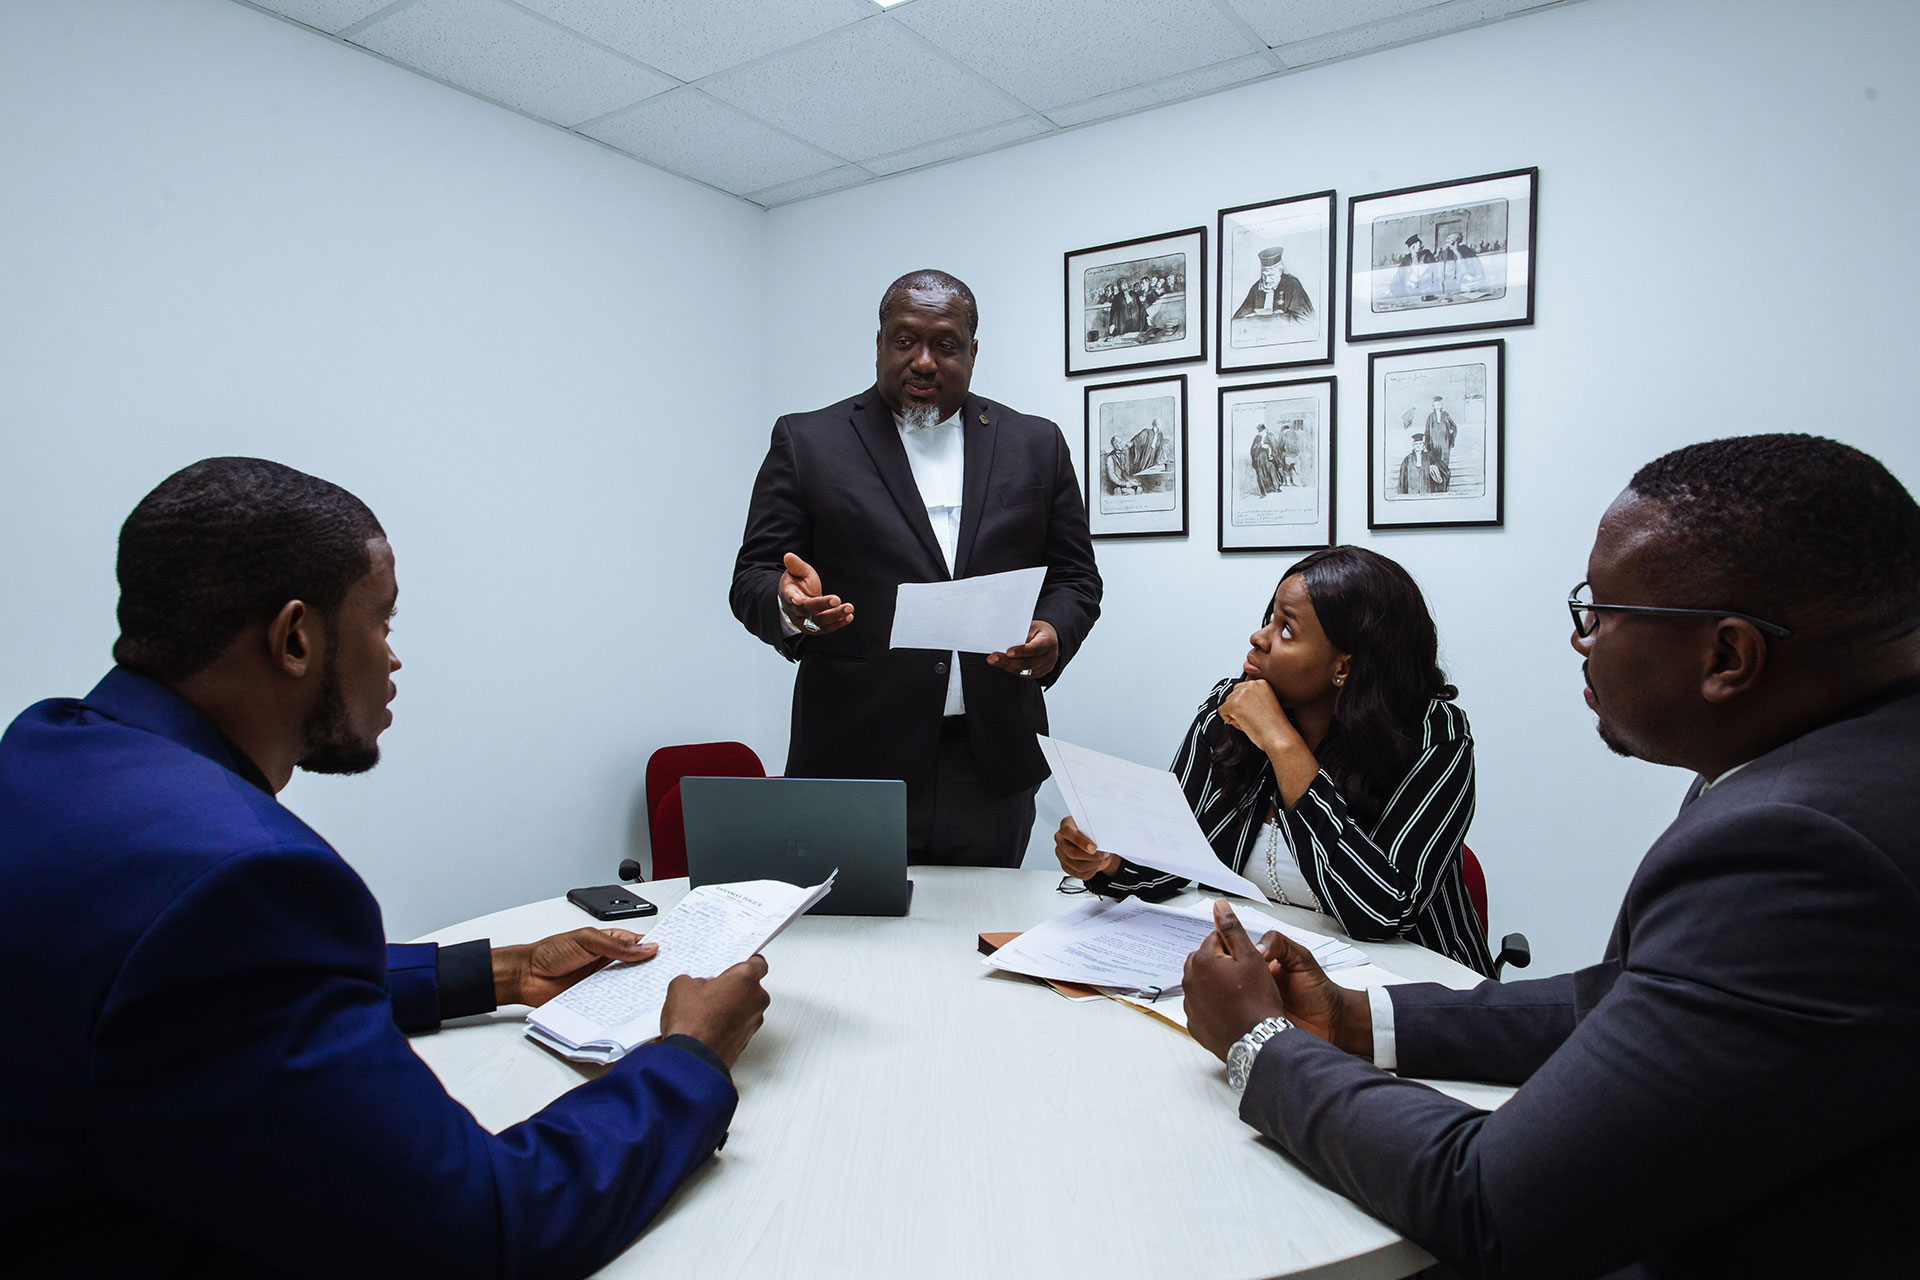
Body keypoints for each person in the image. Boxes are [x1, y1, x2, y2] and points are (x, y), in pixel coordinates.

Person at [0, 457, 774, 1275]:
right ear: (296, 638)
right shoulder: (241, 878)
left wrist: (504, 972)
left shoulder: (48, 753)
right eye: (383, 623)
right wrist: (687, 1056)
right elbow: (483, 1228)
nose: (394, 659)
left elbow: (201, 990)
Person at [1180, 434, 1920, 1278]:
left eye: (1600, 613)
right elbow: (1619, 997)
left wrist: (1261, 1043)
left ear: (1726, 657)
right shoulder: (1824, 772)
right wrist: (1352, 1019)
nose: (1582, 640)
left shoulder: (1805, 845)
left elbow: (1490, 1200)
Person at [729, 269, 1102, 867]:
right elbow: (751, 575)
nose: (923, 361)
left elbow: (1076, 578)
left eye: (945, 345)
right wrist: (789, 605)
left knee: (978, 945)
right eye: (905, 341)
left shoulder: (1036, 444)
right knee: (851, 949)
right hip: (853, 763)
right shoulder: (809, 441)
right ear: (879, 343)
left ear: (973, 352)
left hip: (989, 764)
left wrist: (1053, 631)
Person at [1056, 546, 1492, 975]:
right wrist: (1110, 862)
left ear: (1345, 666)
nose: (1258, 637)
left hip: (1414, 993)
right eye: (1270, 618)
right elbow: (1174, 854)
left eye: (1286, 629)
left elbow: (1380, 912)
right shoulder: (1231, 709)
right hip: (1262, 979)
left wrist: (1282, 744)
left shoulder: (1434, 737)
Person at [1232, 245, 1314, 322]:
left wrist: (1278, 317)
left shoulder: (1292, 284)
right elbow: (1237, 319)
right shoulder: (1256, 288)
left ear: (1280, 271)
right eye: (1263, 275)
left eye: (1271, 275)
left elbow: (1306, 318)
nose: (1266, 280)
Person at [1397, 429, 1448, 494]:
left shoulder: (1429, 457)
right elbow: (1403, 476)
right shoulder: (1408, 459)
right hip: (1412, 489)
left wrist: (1435, 469)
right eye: (1416, 444)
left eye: (1420, 444)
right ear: (1413, 446)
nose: (1418, 446)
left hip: (1426, 488)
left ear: (1423, 446)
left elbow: (1442, 468)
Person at [1437, 231, 1485, 295]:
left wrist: (1457, 252)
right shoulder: (1445, 254)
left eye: (1456, 241)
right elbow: (1443, 274)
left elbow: (1473, 268)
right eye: (1450, 241)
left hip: (1467, 287)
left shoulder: (1466, 250)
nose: (1454, 244)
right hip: (1450, 288)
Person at [1425, 395, 1459, 469]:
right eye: (1435, 404)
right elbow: (1427, 430)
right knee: (1435, 459)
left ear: (1441, 405)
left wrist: (1451, 431)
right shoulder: (1430, 416)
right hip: (1434, 442)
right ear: (1433, 406)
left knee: (1444, 459)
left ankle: (1445, 475)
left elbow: (1453, 426)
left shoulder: (1445, 414)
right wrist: (1427, 443)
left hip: (1444, 441)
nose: (1437, 406)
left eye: (1439, 404)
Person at [1249, 422, 1281, 496]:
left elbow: (1253, 449)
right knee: (1270, 471)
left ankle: (1265, 490)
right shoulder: (1268, 435)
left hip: (1262, 456)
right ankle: (1275, 488)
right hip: (1267, 456)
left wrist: (1255, 457)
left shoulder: (1259, 436)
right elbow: (1275, 446)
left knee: (1264, 472)